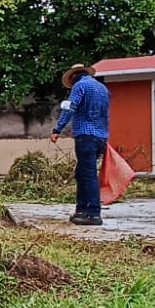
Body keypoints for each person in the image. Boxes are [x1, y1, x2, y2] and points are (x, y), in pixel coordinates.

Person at [50, 63, 111, 226]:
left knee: (88, 174)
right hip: (101, 137)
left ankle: (93, 212)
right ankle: (81, 209)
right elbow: (105, 115)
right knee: (82, 173)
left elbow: (70, 108)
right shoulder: (103, 89)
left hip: (86, 136)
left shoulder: (80, 86)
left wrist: (57, 129)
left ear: (73, 76)